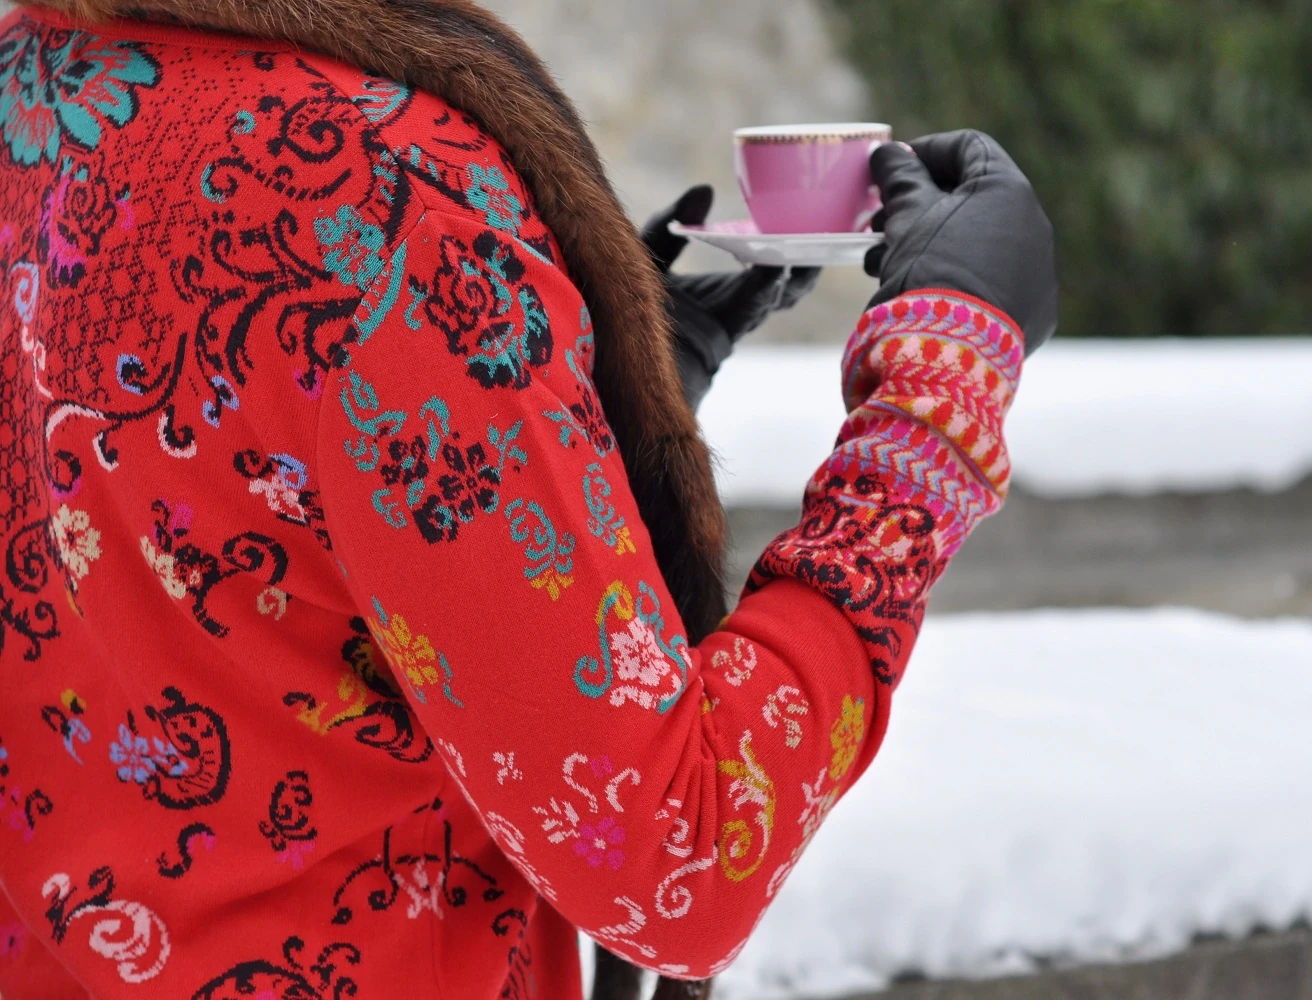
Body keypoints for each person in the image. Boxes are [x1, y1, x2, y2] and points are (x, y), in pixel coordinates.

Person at [0, 2, 1057, 999]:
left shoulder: (36, 82)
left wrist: (556, 409)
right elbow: (669, 851)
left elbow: (197, 508)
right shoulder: (378, 191)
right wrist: (940, 376)